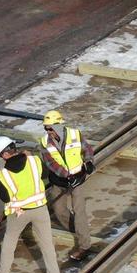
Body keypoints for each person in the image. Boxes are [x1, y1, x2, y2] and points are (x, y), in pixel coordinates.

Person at [0, 136, 62, 273]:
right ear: (14, 148)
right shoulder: (34, 160)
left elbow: (5, 197)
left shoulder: (3, 174)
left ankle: (3, 272)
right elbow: (45, 175)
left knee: (10, 240)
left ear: (3, 155)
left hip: (18, 214)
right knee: (47, 244)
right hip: (40, 209)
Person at [38, 109, 96, 261]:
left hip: (77, 179)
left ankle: (84, 245)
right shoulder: (44, 143)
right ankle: (78, 229)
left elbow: (87, 149)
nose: (48, 131)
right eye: (46, 128)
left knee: (79, 211)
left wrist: (89, 162)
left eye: (50, 128)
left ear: (57, 126)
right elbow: (50, 163)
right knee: (58, 210)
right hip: (59, 181)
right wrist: (67, 175)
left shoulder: (75, 134)